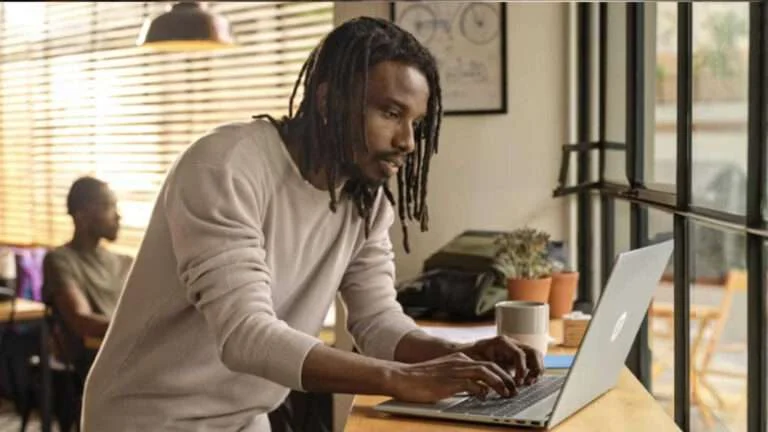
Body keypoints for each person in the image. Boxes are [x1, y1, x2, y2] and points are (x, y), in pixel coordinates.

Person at [81, 16, 543, 431]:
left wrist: (457, 355)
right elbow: (245, 335)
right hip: (146, 418)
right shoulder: (224, 166)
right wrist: (404, 380)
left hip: (242, 419)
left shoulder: (365, 202)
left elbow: (379, 321)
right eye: (390, 113)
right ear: (328, 100)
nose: (407, 141)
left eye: (416, 123)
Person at [41, 176, 132, 430]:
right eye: (108, 207)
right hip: (93, 360)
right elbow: (81, 321)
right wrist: (136, 328)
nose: (118, 216)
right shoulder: (60, 260)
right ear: (81, 216)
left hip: (129, 352)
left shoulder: (124, 262)